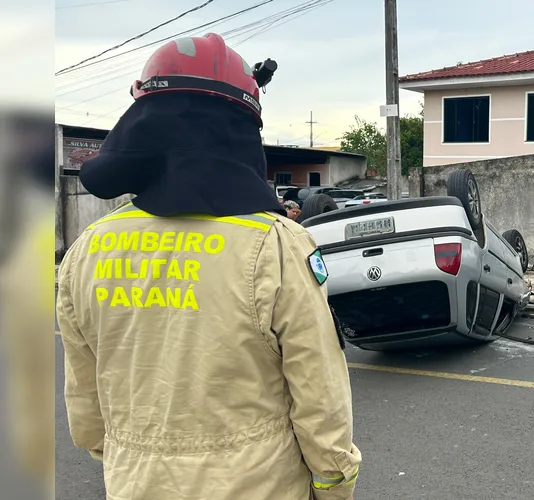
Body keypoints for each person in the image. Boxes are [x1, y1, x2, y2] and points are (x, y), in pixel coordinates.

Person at [56, 33, 360, 500]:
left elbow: (86, 407)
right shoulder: (277, 246)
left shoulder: (86, 252)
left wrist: (135, 461)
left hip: (135, 484)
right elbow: (319, 395)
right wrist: (334, 484)